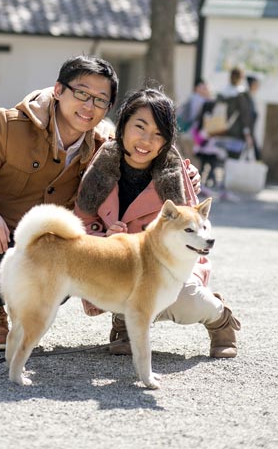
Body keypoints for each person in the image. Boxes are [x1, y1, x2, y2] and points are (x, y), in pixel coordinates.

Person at [0, 55, 202, 352]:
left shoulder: (105, 146)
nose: (89, 106)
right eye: (81, 93)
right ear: (58, 90)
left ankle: (46, 312)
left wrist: (185, 173)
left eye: (100, 100)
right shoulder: (7, 124)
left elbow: (145, 154)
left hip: (48, 249)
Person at [74, 86, 241, 359]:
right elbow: (81, 225)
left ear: (167, 140)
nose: (146, 140)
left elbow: (193, 233)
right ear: (123, 125)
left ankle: (219, 317)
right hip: (121, 267)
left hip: (170, 267)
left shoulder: (175, 174)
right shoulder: (100, 166)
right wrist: (105, 239)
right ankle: (127, 322)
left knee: (187, 302)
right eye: (139, 127)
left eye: (158, 134)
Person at [215, 67, 253, 158]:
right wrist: (247, 134)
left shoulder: (221, 93)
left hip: (221, 131)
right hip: (236, 134)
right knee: (233, 161)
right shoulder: (241, 94)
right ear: (241, 78)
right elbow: (245, 115)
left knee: (220, 161)